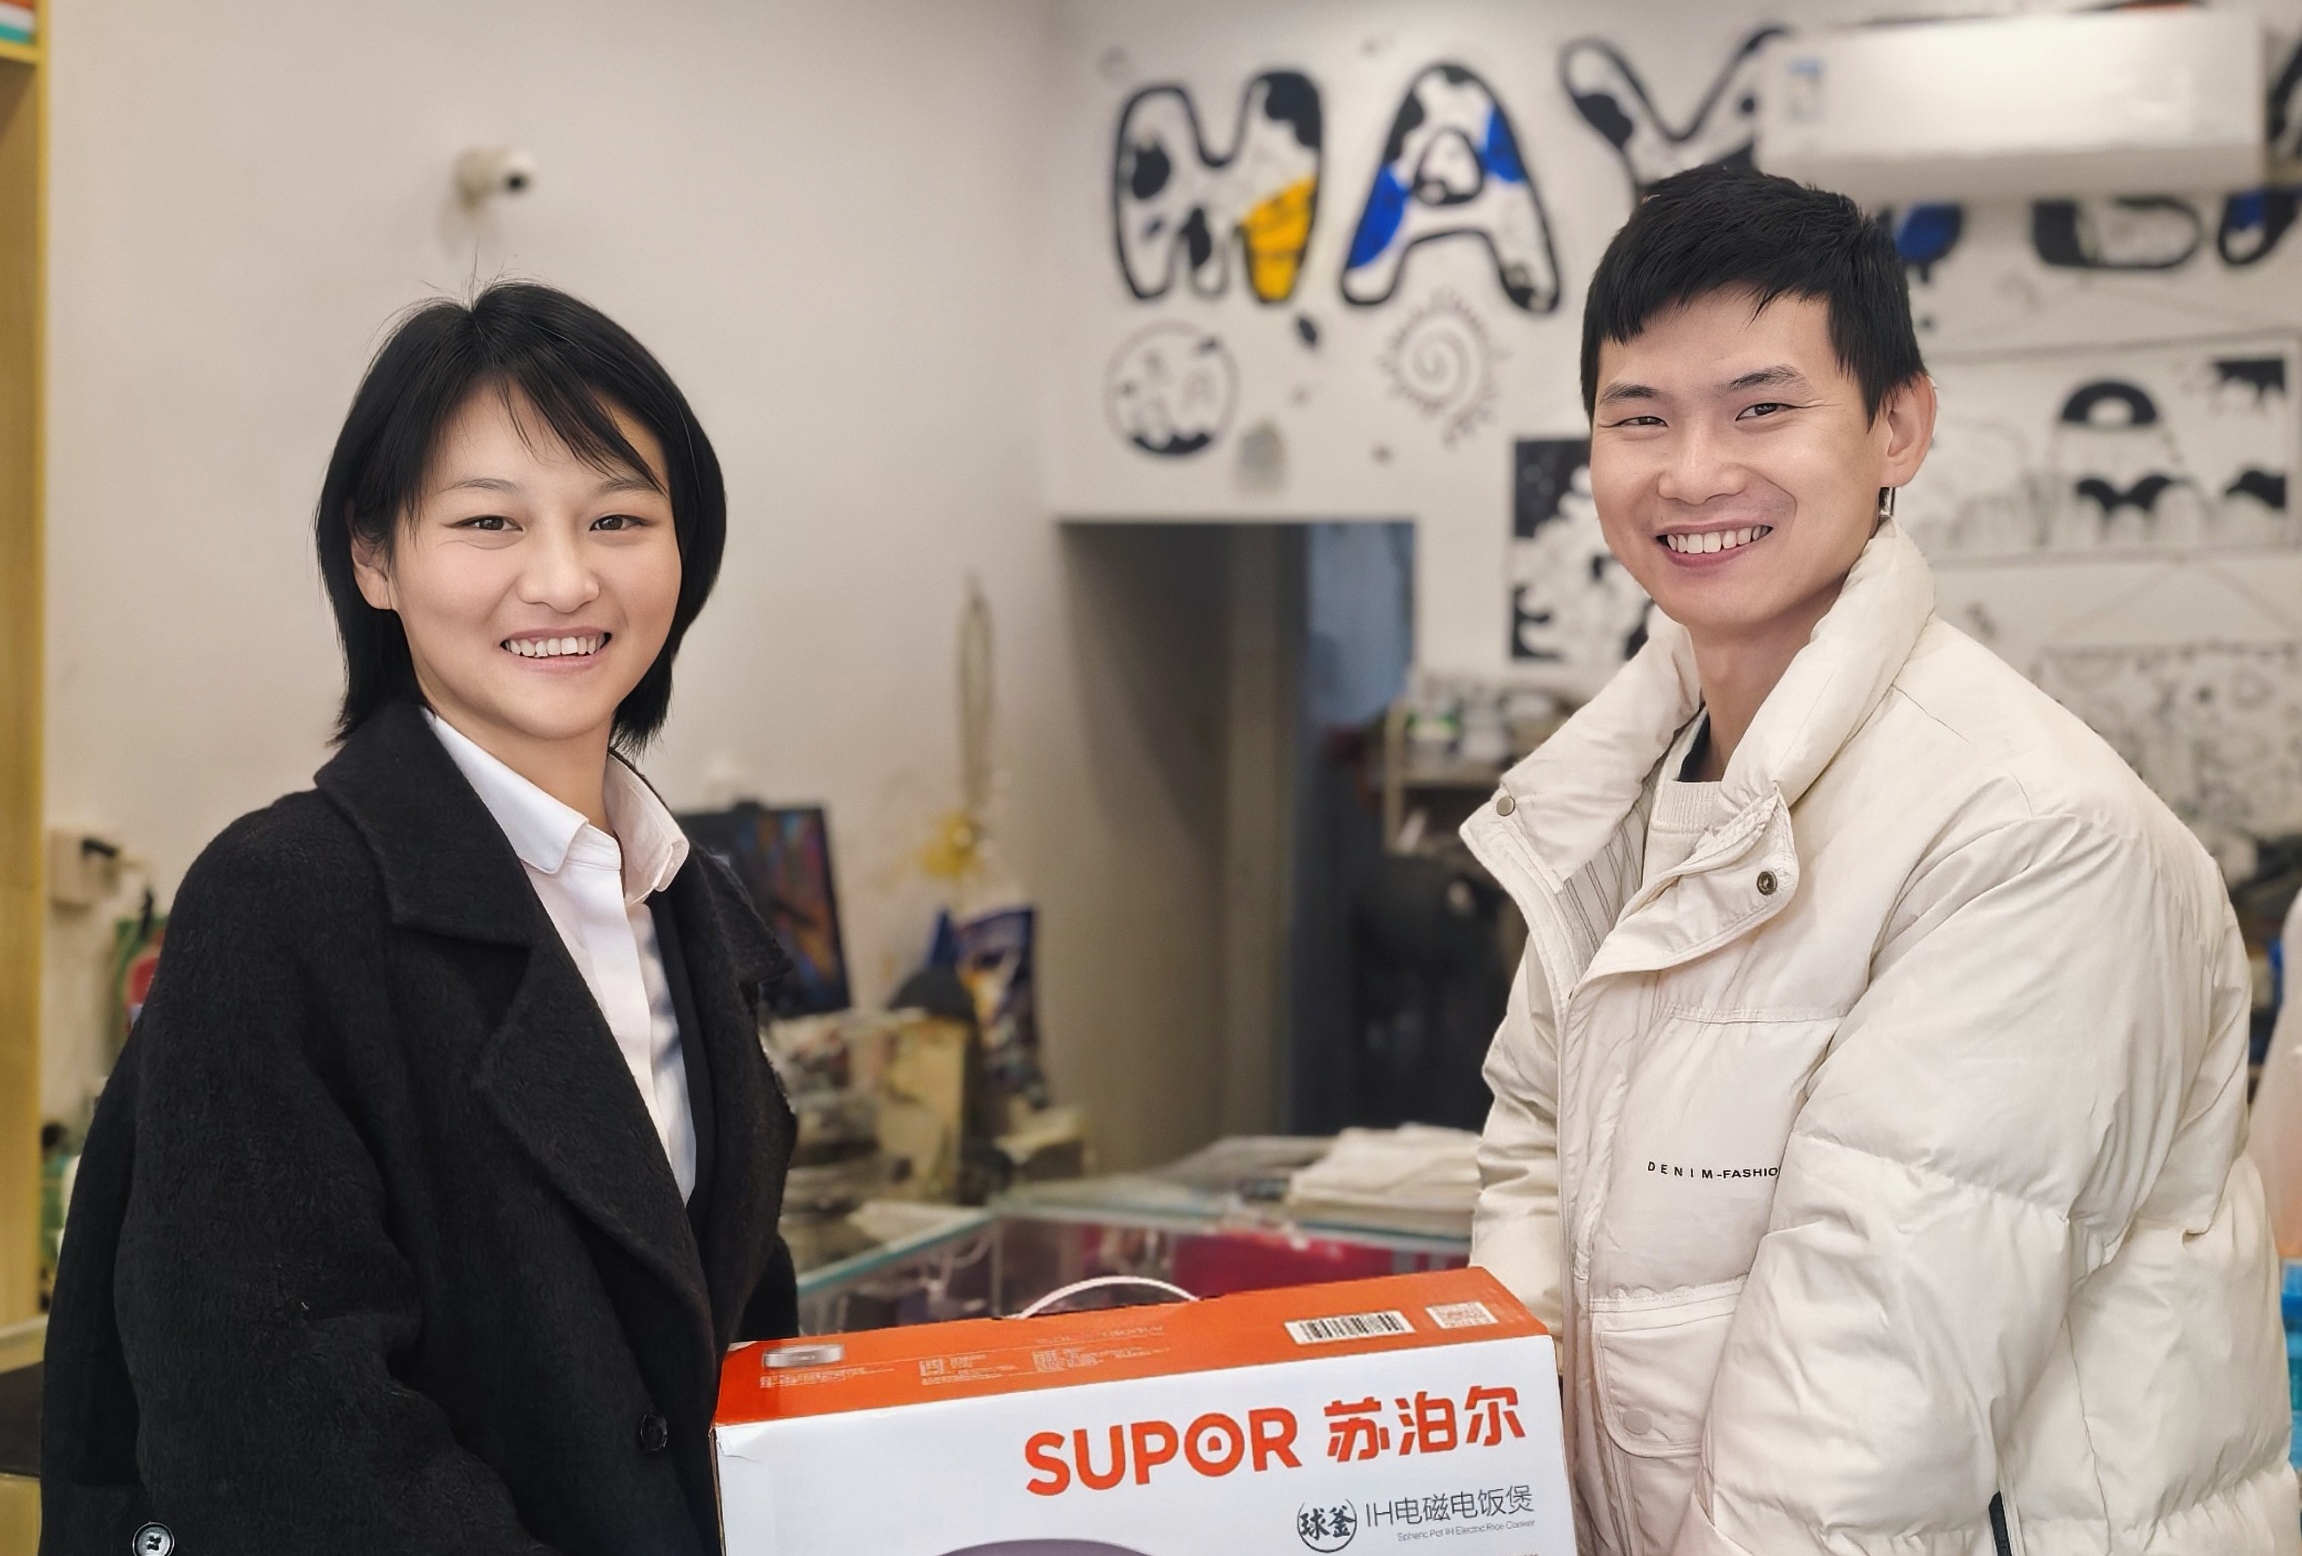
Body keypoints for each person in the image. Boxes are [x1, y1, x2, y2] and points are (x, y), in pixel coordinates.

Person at [1467, 168, 2297, 1556]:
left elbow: (1853, 1441)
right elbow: (1533, 1164)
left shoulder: (2030, 836)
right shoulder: (1613, 796)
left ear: (1897, 425)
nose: (1690, 473)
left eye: (1760, 408)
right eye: (1638, 417)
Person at [42, 282, 798, 1555]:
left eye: (618, 517)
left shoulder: (689, 900)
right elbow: (285, 1426)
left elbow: (723, 1321)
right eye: (489, 521)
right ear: (374, 557)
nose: (562, 578)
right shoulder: (281, 900)